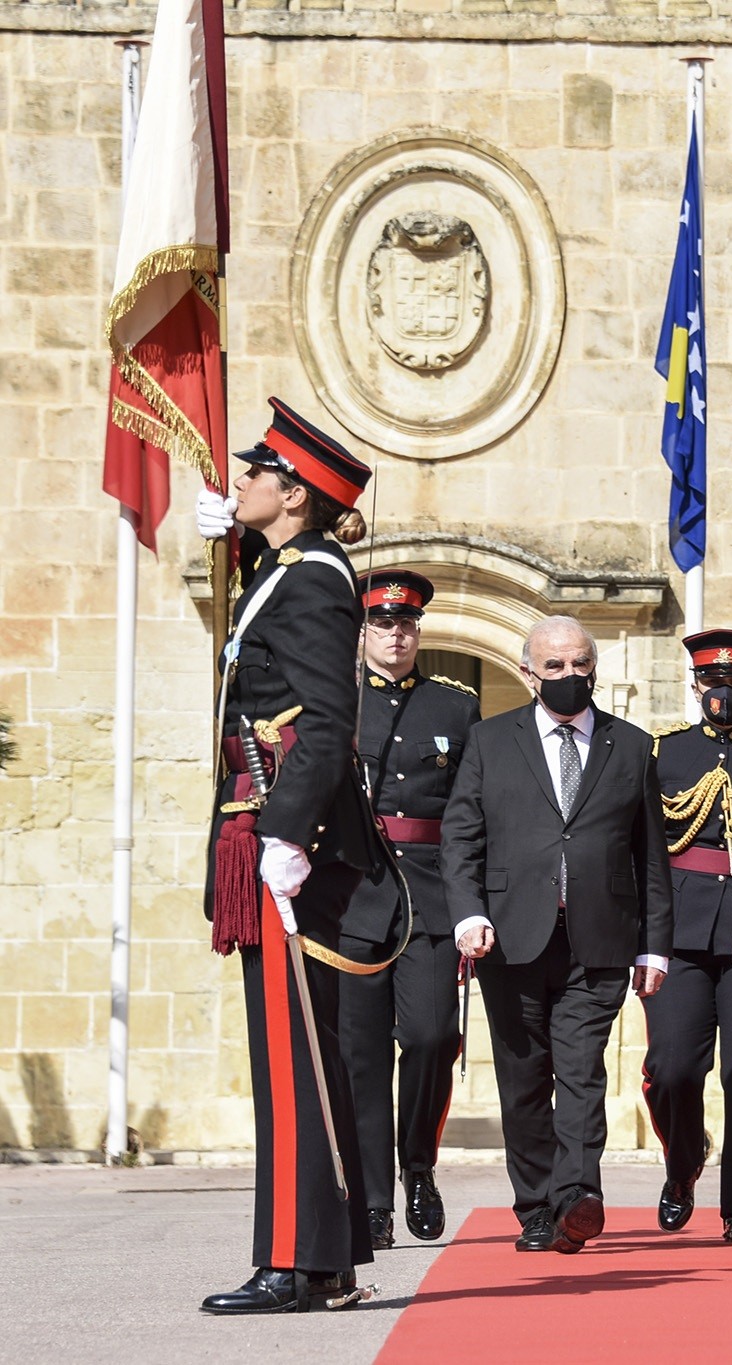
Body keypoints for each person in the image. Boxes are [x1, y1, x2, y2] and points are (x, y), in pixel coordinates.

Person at [193, 398, 380, 1314]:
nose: (246, 480)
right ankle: (323, 1256)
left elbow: (328, 721)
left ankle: (297, 1263)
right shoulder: (289, 568)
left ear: (295, 494)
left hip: (278, 833)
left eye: (259, 473)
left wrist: (286, 833)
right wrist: (227, 548)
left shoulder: (314, 579)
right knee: (297, 1055)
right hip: (262, 823)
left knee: (295, 1052)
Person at [441, 615, 670, 1256]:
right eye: (556, 667)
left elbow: (650, 854)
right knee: (524, 1079)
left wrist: (654, 945)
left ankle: (577, 1199)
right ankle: (535, 1207)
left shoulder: (630, 746)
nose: (570, 677)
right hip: (510, 940)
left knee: (580, 1073)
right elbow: (461, 839)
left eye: (580, 666)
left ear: (594, 669)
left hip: (599, 938)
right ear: (528, 673)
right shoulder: (489, 741)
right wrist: (467, 912)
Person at [338, 569, 479, 1251]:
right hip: (355, 894)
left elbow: (469, 812)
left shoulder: (456, 707)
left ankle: (416, 1165)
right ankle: (371, 1202)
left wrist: (473, 896)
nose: (397, 634)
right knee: (362, 1055)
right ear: (362, 630)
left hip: (429, 894)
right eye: (384, 623)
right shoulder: (338, 701)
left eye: (407, 624)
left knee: (429, 1037)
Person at [641, 629, 732, 1242]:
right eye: (711, 682)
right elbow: (643, 848)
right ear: (694, 685)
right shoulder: (663, 755)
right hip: (678, 928)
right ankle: (682, 1165)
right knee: (671, 1068)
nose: (723, 691)